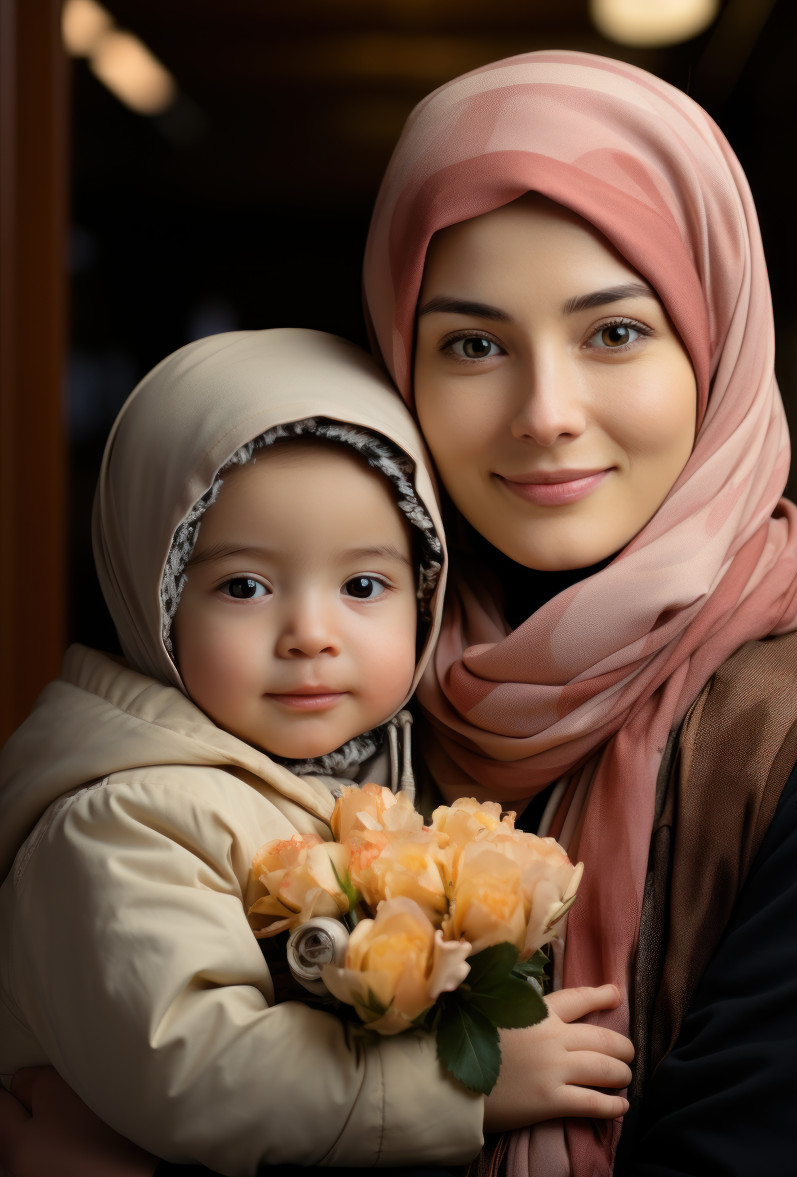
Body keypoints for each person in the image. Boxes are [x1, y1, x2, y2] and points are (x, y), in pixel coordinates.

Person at [4, 49, 797, 1177]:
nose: (546, 413)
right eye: (471, 344)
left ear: (719, 344)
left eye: (614, 331)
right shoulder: (353, 715)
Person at [0, 325, 632, 1176]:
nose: (309, 635)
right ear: (154, 600)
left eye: (362, 585)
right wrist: (463, 1088)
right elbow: (193, 1069)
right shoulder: (122, 817)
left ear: (423, 593)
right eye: (245, 586)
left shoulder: (385, 766)